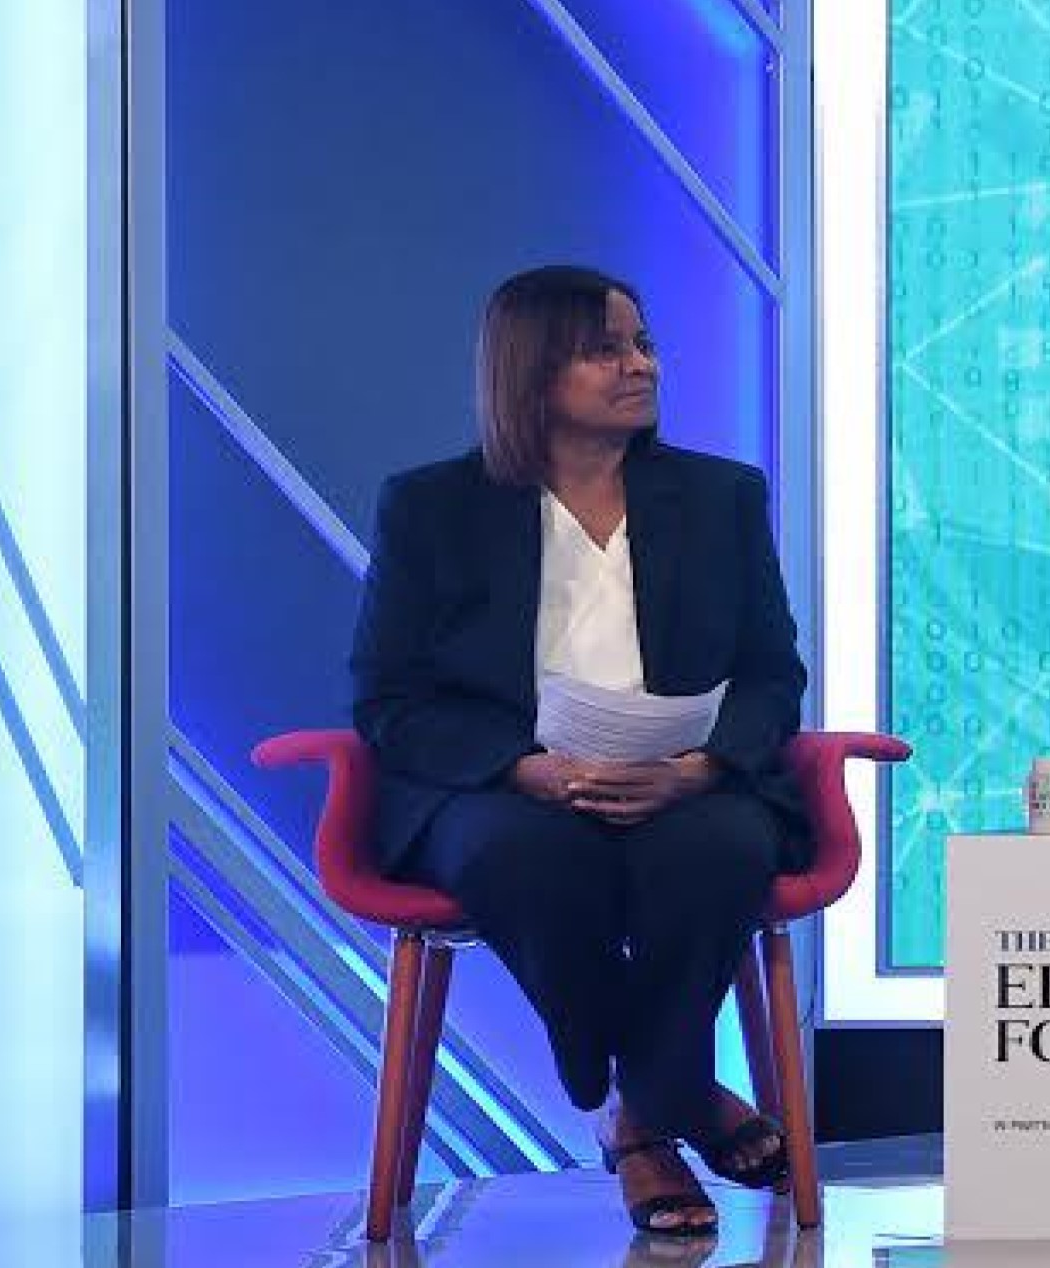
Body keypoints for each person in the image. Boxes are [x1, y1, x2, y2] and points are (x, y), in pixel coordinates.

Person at [347, 264, 814, 1237]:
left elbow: (773, 672)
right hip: (510, 782)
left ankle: (641, 1116)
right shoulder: (432, 507)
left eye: (643, 344)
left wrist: (696, 767)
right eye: (606, 348)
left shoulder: (720, 495)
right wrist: (525, 767)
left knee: (721, 848)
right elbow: (389, 694)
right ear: (530, 369)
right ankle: (674, 1093)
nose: (637, 364)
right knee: (523, 852)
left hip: (684, 776)